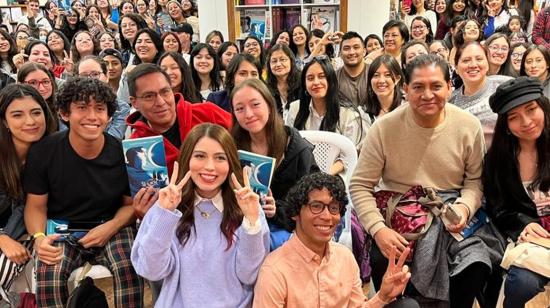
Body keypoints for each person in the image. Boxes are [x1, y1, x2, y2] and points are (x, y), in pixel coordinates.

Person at [350, 54, 503, 307]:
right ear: (406, 89)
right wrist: (379, 230)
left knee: (476, 263)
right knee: (384, 259)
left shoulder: (468, 125)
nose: (427, 95)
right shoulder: (385, 128)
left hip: (450, 210)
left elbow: (475, 181)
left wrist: (464, 207)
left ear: (449, 87)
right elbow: (360, 184)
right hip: (398, 212)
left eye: (436, 86)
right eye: (418, 87)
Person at [23, 77, 144, 307]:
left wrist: (111, 227)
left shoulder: (122, 153)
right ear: (64, 113)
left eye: (100, 109)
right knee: (49, 274)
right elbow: (35, 206)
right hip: (62, 228)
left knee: (129, 267)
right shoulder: (44, 152)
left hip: (112, 225)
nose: (92, 116)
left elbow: (130, 205)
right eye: (81, 108)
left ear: (109, 116)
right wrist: (39, 239)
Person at [132, 122, 269, 307]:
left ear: (230, 164)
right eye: (200, 156)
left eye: (220, 158)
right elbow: (151, 271)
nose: (210, 167)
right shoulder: (166, 205)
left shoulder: (249, 207)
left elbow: (249, 276)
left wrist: (252, 223)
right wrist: (164, 215)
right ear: (187, 158)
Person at [253, 172, 420, 308]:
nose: (327, 216)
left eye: (333, 208)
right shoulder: (275, 270)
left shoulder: (344, 257)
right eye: (316, 206)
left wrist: (382, 296)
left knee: (407, 306)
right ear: (296, 213)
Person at [126, 63, 231, 217]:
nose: (161, 102)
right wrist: (145, 213)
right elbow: (147, 202)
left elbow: (244, 144)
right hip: (176, 221)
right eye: (149, 96)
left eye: (165, 92)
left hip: (224, 209)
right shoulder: (137, 148)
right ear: (134, 102)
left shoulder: (207, 113)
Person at [483, 76, 550, 308]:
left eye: (531, 109)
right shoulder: (497, 161)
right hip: (533, 240)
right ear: (506, 125)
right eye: (514, 117)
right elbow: (498, 208)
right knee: (521, 282)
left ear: (543, 106)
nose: (527, 122)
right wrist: (525, 223)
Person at [231, 78, 319, 249]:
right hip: (243, 223)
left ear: (270, 106)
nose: (248, 114)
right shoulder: (232, 146)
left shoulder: (296, 147)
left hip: (287, 227)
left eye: (255, 104)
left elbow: (312, 198)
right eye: (240, 109)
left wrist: (277, 210)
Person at [0, 84, 56, 302]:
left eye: (36, 112)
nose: (30, 122)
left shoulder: (56, 150)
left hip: (31, 231)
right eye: (17, 115)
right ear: (4, 121)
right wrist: (2, 239)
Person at [286, 56, 368, 175]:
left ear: (331, 80)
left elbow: (349, 156)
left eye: (321, 76)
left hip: (335, 176)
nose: (316, 82)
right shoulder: (295, 109)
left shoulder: (348, 114)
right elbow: (290, 149)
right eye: (310, 78)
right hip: (302, 176)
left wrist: (323, 175)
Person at [449, 41, 511, 146]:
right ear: (456, 67)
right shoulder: (451, 102)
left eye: (479, 59)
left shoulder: (506, 86)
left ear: (487, 63)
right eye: (466, 60)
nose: (473, 65)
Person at [74, 55, 130, 139]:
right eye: (84, 76)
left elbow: (112, 140)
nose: (90, 79)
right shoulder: (70, 105)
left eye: (95, 74)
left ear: (106, 76)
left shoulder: (121, 107)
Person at [17, 62, 59, 130]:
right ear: (20, 84)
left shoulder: (61, 109)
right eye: (33, 83)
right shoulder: (13, 111)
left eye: (45, 82)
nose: (41, 88)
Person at [365, 54, 405, 121]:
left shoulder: (408, 107)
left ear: (397, 79)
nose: (381, 81)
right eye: (376, 75)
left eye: (387, 75)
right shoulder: (363, 114)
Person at [265, 44, 301, 118]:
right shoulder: (265, 87)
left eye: (282, 60)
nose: (278, 64)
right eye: (274, 61)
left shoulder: (302, 83)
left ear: (291, 61)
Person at [336, 31, 369, 108]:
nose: (351, 52)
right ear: (340, 54)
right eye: (346, 48)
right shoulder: (333, 78)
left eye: (356, 47)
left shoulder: (375, 72)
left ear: (364, 51)